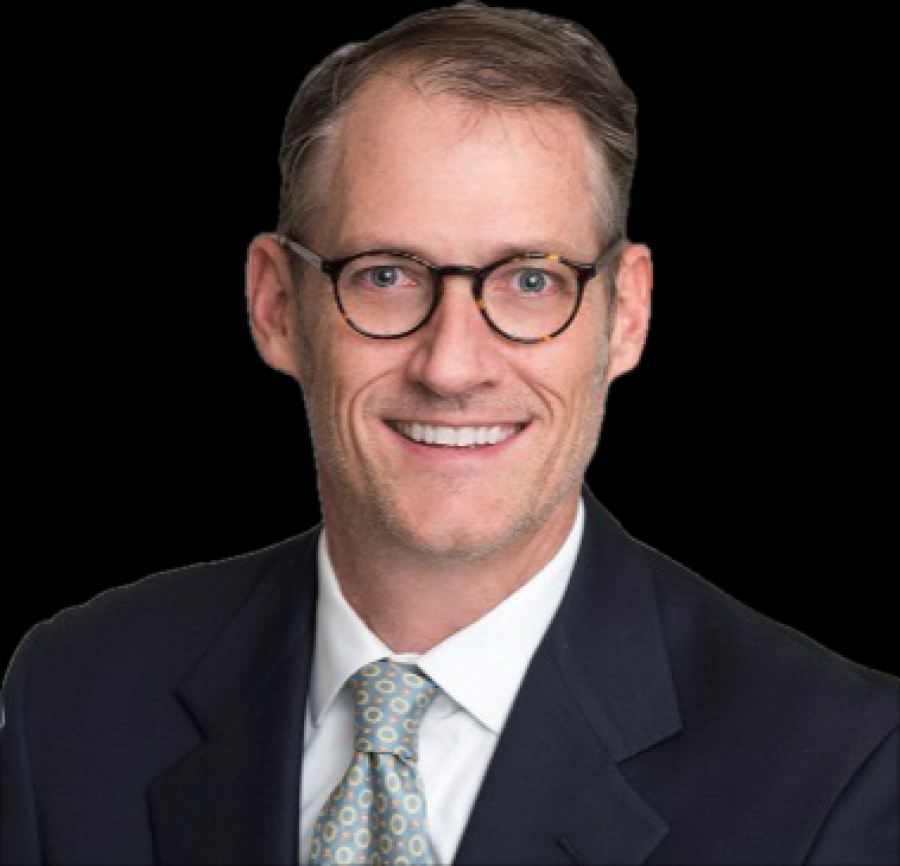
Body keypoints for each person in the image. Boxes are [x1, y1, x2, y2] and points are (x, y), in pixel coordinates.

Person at [2, 3, 897, 863]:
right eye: (385, 275)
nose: (452, 365)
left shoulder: (841, 765)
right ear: (275, 305)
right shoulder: (71, 694)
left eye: (532, 281)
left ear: (625, 315)